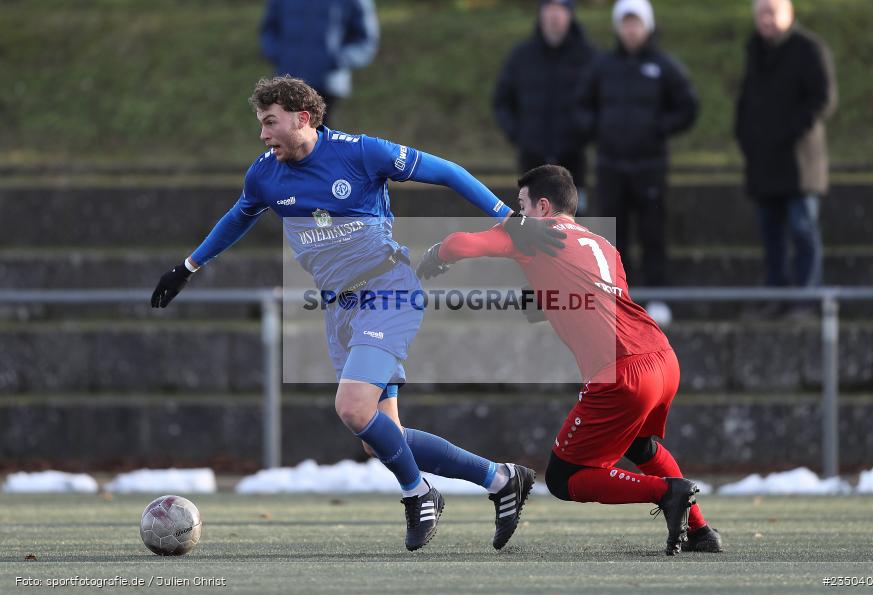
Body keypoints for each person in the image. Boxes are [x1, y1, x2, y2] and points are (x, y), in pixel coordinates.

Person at [150, 77, 566, 551]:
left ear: (302, 118)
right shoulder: (264, 174)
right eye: (261, 124)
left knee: (351, 408)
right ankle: (500, 479)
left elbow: (447, 171)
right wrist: (187, 267)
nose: (263, 134)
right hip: (339, 308)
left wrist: (508, 219)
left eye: (270, 123)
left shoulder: (361, 153)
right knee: (379, 436)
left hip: (387, 290)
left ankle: (419, 493)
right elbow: (237, 218)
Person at [417, 165, 721, 555]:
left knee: (565, 478)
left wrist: (434, 256)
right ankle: (700, 532)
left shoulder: (534, 233)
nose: (517, 213)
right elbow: (591, 297)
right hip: (661, 356)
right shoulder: (602, 244)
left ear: (542, 207)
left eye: (521, 205)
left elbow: (461, 243)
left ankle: (667, 493)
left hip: (623, 370)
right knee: (641, 446)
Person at [576, 0, 698, 326]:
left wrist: (660, 128)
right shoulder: (603, 66)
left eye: (637, 23)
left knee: (652, 232)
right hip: (610, 165)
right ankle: (618, 297)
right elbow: (581, 106)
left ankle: (658, 295)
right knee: (614, 237)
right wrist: (598, 129)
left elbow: (688, 107)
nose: (631, 30)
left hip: (649, 167)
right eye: (626, 23)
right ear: (618, 27)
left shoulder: (663, 66)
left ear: (647, 26)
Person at [736, 0, 837, 314]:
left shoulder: (808, 48)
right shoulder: (755, 50)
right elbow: (747, 100)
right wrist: (746, 136)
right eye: (761, 13)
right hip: (765, 163)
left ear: (789, 14)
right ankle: (776, 298)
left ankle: (806, 301)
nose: (766, 19)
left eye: (772, 12)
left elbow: (823, 99)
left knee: (803, 231)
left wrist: (791, 130)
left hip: (799, 164)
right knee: (772, 238)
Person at [492, 0, 598, 213]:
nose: (554, 16)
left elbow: (601, 101)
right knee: (531, 221)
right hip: (532, 158)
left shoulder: (589, 56)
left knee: (574, 222)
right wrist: (519, 134)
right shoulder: (522, 56)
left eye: (560, 9)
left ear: (569, 14)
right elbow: (502, 100)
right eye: (549, 8)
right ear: (541, 13)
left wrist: (585, 131)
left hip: (573, 159)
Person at [260, 0, 379, 127]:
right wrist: (279, 54)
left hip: (326, 85)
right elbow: (269, 30)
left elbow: (365, 41)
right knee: (282, 136)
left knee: (318, 138)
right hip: (287, 82)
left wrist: (337, 60)